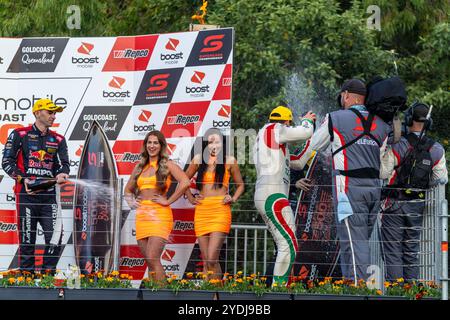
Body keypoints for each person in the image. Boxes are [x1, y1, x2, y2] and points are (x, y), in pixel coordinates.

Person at [294, 79, 391, 283]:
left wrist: (294, 158)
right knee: (357, 240)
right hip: (374, 190)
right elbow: (383, 170)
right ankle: (350, 283)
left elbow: (313, 146)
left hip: (348, 190)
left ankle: (357, 289)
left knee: (352, 240)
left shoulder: (335, 118)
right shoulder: (382, 126)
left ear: (346, 95)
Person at [380, 102, 447, 282]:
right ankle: (412, 291)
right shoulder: (437, 149)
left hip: (393, 205)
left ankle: (396, 292)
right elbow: (440, 179)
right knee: (411, 252)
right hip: (417, 206)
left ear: (409, 119)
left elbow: (383, 172)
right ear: (429, 123)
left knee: (393, 250)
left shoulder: (400, 144)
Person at [1, 98, 69, 274]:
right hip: (26, 195)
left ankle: (48, 276)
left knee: (55, 238)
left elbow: (64, 165)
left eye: (55, 113)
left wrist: (62, 174)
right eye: (50, 112)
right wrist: (22, 179)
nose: (53, 116)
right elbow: (7, 161)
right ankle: (27, 277)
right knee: (27, 239)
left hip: (49, 198)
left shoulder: (59, 139)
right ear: (38, 113)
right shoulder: (19, 134)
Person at [253, 105, 316, 286]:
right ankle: (278, 289)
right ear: (287, 122)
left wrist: (314, 144)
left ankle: (278, 286)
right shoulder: (274, 129)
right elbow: (305, 132)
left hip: (269, 194)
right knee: (288, 245)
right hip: (273, 195)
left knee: (287, 244)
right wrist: (307, 120)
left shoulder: (271, 141)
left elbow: (298, 163)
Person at [124, 130, 190, 283]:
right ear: (145, 145)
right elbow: (127, 190)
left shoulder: (167, 164)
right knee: (149, 260)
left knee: (153, 258)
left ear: (161, 146)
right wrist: (131, 202)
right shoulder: (140, 166)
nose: (152, 146)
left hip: (159, 215)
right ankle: (155, 293)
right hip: (142, 216)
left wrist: (168, 201)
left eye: (155, 143)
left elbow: (185, 182)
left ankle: (162, 295)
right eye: (149, 142)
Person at [185, 128, 244, 280]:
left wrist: (233, 198)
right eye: (210, 142)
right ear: (206, 144)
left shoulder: (229, 161)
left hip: (220, 211)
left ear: (222, 143)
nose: (213, 145)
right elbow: (183, 180)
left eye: (217, 141)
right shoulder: (198, 159)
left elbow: (241, 185)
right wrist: (190, 198)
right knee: (206, 261)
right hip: (202, 211)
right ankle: (210, 295)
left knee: (212, 258)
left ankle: (216, 293)